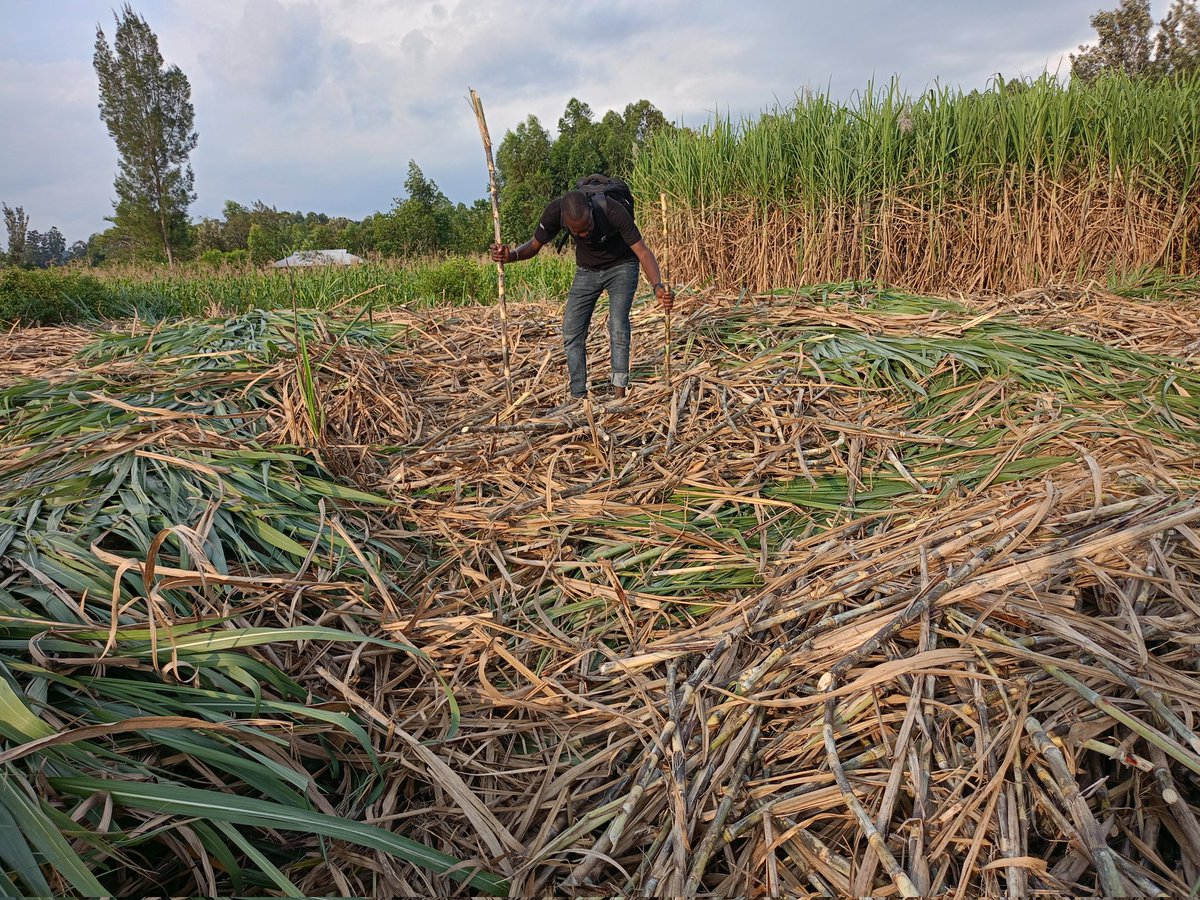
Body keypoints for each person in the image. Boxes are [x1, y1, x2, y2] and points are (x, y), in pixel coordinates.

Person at [490, 177, 674, 402]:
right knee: (571, 330)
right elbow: (534, 246)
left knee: (617, 324)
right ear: (566, 225)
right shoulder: (555, 213)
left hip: (622, 266)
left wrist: (657, 286)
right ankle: (578, 396)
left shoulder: (612, 210)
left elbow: (642, 252)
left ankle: (619, 395)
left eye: (588, 227)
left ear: (590, 210)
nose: (585, 234)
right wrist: (510, 256)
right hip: (587, 271)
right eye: (579, 233)